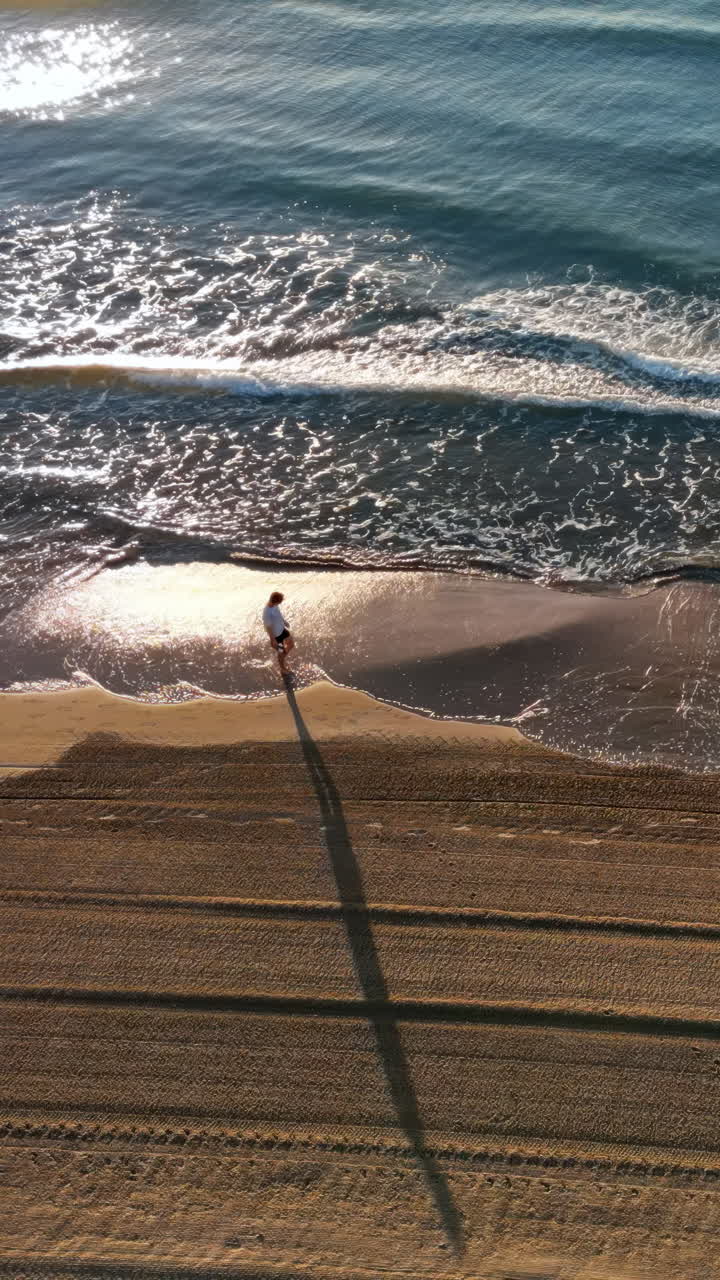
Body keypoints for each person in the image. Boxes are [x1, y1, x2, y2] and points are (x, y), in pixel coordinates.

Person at [262, 590, 295, 673]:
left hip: (282, 629)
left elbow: (279, 615)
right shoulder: (267, 612)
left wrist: (284, 622)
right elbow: (268, 627)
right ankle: (282, 668)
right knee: (281, 651)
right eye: (279, 602)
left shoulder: (275, 605)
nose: (280, 603)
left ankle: (282, 656)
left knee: (291, 644)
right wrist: (272, 640)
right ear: (275, 601)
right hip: (276, 636)